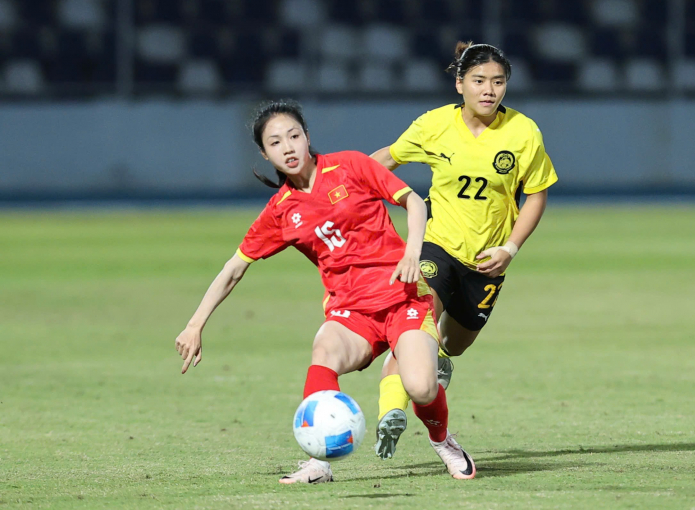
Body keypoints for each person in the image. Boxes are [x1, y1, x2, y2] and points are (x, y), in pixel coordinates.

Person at [174, 100, 476, 483]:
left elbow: (414, 201)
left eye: (294, 136)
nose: (288, 148)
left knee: (421, 387)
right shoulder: (281, 211)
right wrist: (195, 324)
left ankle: (442, 441)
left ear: (307, 137)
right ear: (265, 154)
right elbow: (234, 268)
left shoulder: (351, 165)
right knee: (324, 349)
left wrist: (413, 251)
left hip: (403, 298)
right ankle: (318, 463)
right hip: (352, 313)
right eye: (275, 142)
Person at [370, 42, 558, 460]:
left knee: (452, 344)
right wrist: (343, 182)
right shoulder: (434, 125)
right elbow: (388, 158)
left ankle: (438, 360)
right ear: (459, 84)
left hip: (487, 262)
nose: (489, 90)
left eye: (498, 82)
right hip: (436, 246)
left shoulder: (523, 132)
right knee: (415, 329)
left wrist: (510, 247)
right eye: (479, 81)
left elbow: (537, 194)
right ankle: (391, 411)